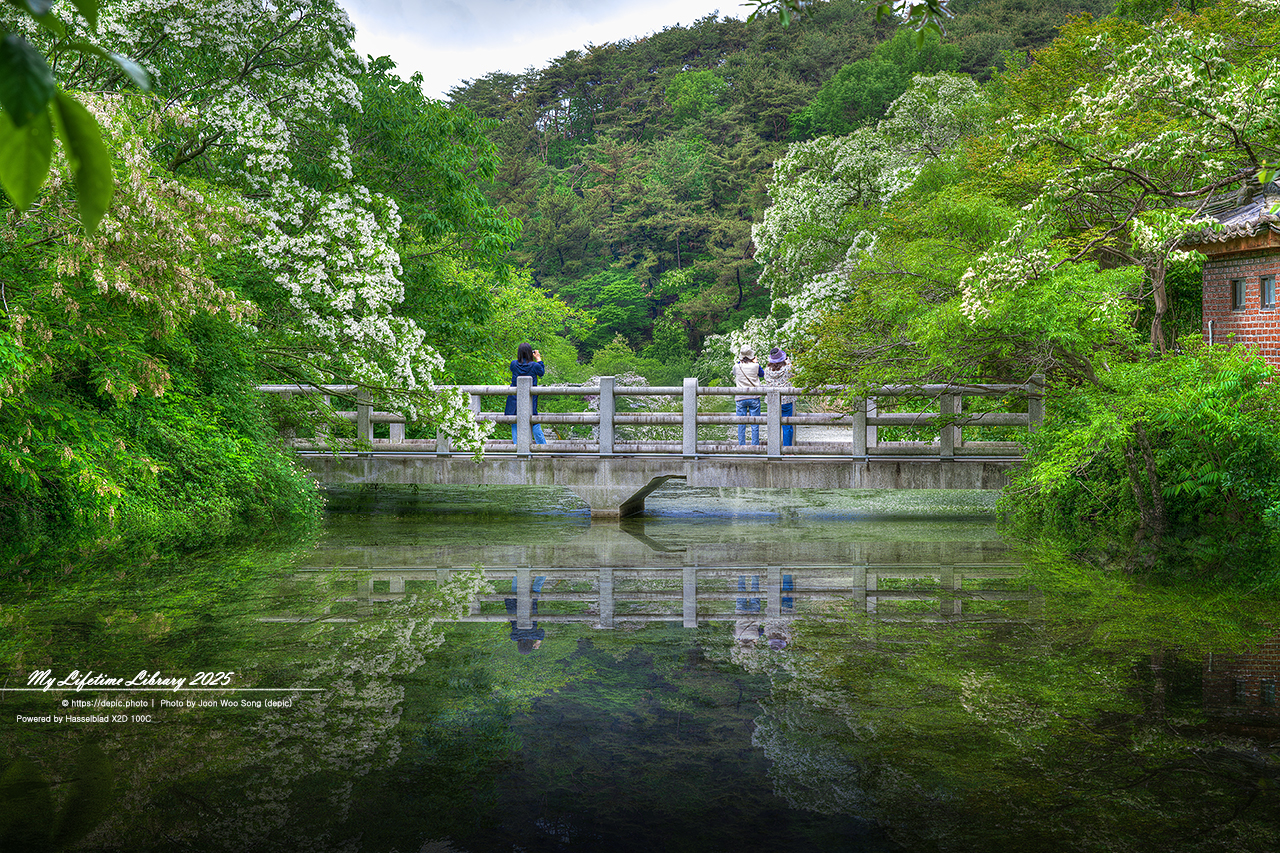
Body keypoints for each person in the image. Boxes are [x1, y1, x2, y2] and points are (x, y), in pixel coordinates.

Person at [504, 342, 546, 445]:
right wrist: (538, 358)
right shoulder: (534, 366)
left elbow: (514, 368)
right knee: (534, 422)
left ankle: (518, 449)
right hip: (530, 399)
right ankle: (544, 448)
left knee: (515, 422)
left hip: (515, 398)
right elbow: (541, 373)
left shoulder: (514, 364)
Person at [505, 575, 546, 654]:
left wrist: (538, 642)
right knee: (515, 590)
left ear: (530, 645)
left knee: (535, 589)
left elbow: (542, 632)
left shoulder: (534, 635)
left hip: (530, 606)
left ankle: (543, 571)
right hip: (514, 606)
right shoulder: (514, 637)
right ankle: (518, 573)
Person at [732, 345, 764, 446]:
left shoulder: (736, 366)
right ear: (751, 355)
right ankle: (755, 447)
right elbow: (762, 374)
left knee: (741, 424)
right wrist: (756, 362)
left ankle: (742, 447)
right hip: (754, 397)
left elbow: (734, 373)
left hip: (740, 397)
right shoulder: (756, 366)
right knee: (755, 424)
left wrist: (740, 361)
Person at [765, 347, 797, 447]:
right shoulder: (787, 369)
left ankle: (774, 448)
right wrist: (789, 362)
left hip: (772, 400)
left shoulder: (767, 370)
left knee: (773, 425)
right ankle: (787, 450)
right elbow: (796, 372)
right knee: (787, 426)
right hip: (786, 400)